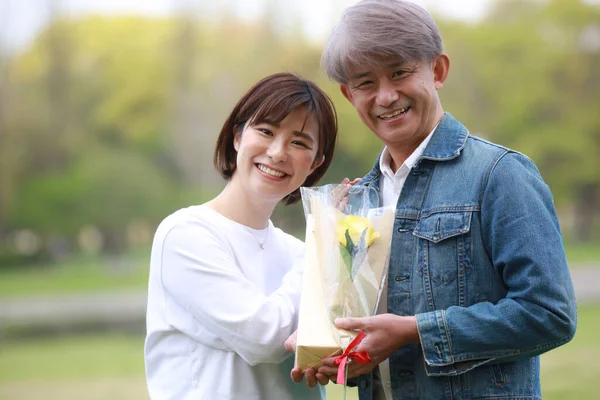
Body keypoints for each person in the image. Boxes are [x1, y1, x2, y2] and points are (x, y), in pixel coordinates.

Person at [292, 1, 578, 399]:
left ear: (438, 70)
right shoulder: (359, 201)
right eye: (366, 83)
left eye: (400, 72)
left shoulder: (500, 175)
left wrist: (414, 333)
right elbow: (369, 340)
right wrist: (335, 354)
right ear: (348, 94)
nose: (386, 96)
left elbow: (551, 314)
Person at [144, 72, 338, 400]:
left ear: (315, 164)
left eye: (299, 142)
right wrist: (324, 243)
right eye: (265, 131)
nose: (277, 152)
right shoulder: (186, 235)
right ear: (237, 137)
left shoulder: (300, 253)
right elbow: (262, 338)